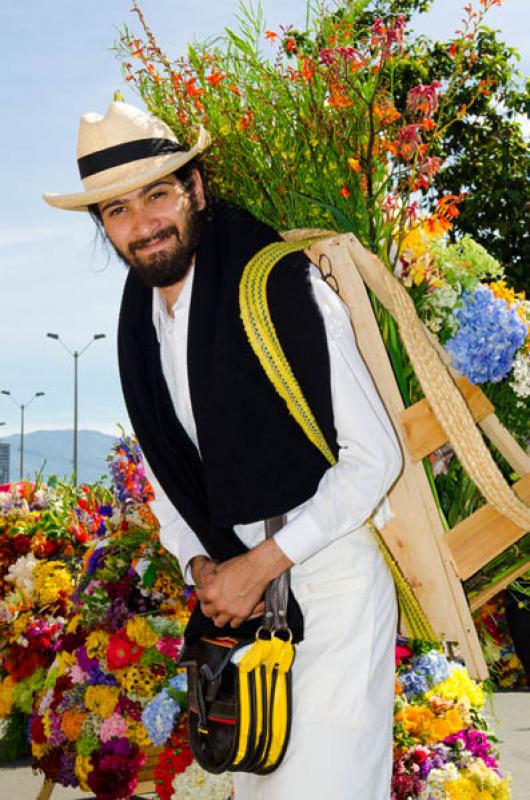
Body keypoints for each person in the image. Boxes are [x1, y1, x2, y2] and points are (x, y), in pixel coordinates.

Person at [45, 101, 403, 799]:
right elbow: (166, 481)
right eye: (117, 210)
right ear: (103, 227)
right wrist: (203, 566)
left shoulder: (278, 284)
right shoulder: (136, 332)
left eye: (157, 194)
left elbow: (375, 459)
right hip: (243, 614)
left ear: (197, 189)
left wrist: (260, 565)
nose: (143, 225)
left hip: (329, 588)